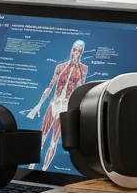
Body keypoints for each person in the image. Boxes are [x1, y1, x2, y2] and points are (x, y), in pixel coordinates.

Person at [24, 40, 90, 172]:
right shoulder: (60, 67)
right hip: (53, 103)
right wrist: (38, 106)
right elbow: (49, 87)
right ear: (71, 50)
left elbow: (82, 91)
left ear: (81, 53)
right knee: (42, 138)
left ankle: (44, 170)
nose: (76, 53)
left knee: (54, 142)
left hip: (65, 106)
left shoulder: (83, 69)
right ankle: (31, 167)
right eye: (74, 50)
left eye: (79, 51)